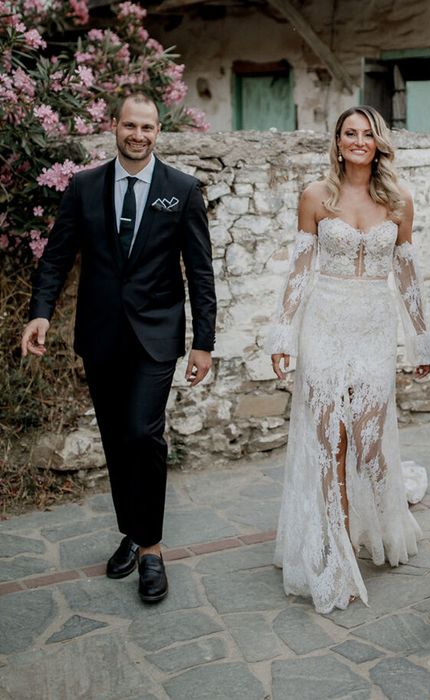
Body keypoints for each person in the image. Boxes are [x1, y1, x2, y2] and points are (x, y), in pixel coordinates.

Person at [21, 93, 216, 604]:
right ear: (114, 127)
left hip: (157, 336)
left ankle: (150, 550)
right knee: (115, 440)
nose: (138, 134)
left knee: (142, 435)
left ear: (159, 131)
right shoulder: (84, 188)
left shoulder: (182, 190)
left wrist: (204, 342)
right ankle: (131, 529)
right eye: (129, 125)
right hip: (102, 335)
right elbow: (58, 256)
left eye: (147, 127)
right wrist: (40, 311)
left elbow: (199, 272)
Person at [268, 106, 430, 614]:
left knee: (366, 440)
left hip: (373, 325)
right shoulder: (316, 196)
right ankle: (331, 549)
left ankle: (378, 518)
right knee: (327, 440)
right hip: (325, 320)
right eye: (349, 133)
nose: (358, 141)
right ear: (337, 142)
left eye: (367, 134)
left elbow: (406, 273)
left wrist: (420, 336)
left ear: (378, 142)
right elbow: (299, 269)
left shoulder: (399, 199)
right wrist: (283, 335)